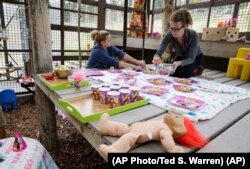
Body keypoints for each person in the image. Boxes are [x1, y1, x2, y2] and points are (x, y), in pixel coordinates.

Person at [152, 8, 204, 78]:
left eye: (176, 29)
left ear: (184, 26)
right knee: (170, 71)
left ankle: (197, 68)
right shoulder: (169, 35)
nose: (173, 32)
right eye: (171, 28)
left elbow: (191, 58)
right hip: (181, 56)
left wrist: (179, 63)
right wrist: (156, 58)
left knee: (184, 73)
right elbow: (158, 53)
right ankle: (192, 69)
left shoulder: (193, 35)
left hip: (195, 57)